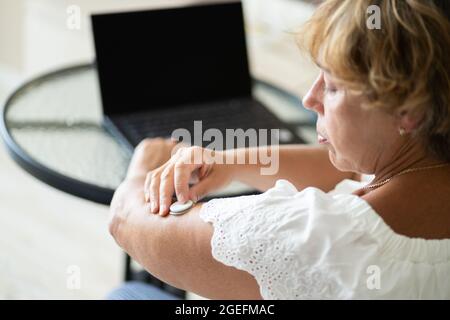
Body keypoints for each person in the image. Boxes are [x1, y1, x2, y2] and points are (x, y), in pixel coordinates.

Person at [108, 0, 450, 299]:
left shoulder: (321, 238)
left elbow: (126, 222)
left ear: (409, 112)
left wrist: (142, 168)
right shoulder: (423, 164)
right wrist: (228, 163)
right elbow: (353, 171)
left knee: (126, 295)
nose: (310, 98)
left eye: (332, 86)